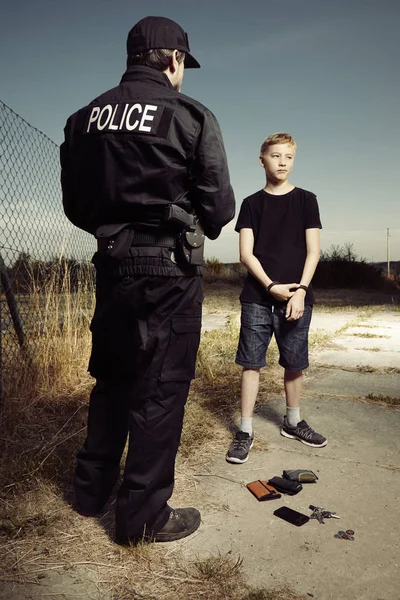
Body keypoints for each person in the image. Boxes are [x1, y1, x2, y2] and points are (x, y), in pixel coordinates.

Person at [60, 16, 235, 544]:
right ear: (175, 60)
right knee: (159, 391)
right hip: (169, 270)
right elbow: (219, 207)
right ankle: (142, 517)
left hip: (112, 266)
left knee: (112, 379)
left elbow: (76, 206)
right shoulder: (191, 116)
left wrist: (118, 229)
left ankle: (89, 492)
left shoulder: (83, 119)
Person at [226, 132, 326, 465]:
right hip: (258, 297)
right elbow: (246, 254)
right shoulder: (252, 203)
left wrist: (299, 291)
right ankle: (245, 430)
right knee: (251, 363)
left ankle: (293, 421)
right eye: (275, 156)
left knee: (295, 363)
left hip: (296, 298)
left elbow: (313, 252)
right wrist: (271, 287)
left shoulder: (306, 200)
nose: (282, 162)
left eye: (288, 157)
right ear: (262, 160)